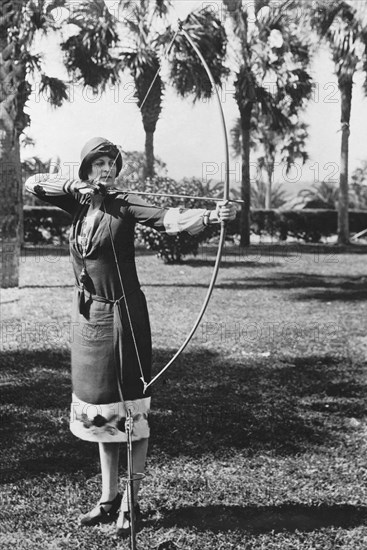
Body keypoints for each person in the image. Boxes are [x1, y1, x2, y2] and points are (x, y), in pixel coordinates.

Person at [25, 137, 236, 536]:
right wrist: (74, 187)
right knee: (101, 412)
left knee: (131, 415)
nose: (106, 169)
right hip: (88, 319)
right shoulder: (80, 202)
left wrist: (210, 218)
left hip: (123, 315)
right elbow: (33, 183)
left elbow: (168, 218)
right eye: (98, 163)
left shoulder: (125, 202)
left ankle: (131, 503)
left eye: (111, 163)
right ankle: (107, 499)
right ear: (86, 168)